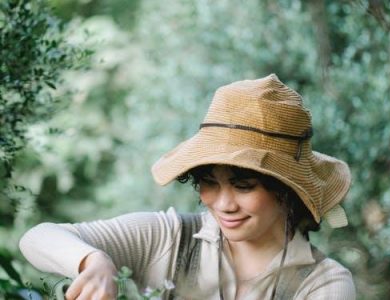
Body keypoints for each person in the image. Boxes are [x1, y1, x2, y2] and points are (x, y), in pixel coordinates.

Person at [19, 74, 356, 300]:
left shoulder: (323, 284)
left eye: (243, 186)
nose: (223, 203)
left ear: (286, 188)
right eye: (209, 183)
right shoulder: (169, 238)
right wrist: (94, 261)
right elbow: (37, 238)